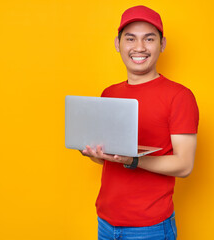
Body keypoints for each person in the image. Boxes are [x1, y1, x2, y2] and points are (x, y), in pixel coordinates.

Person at [81, 5, 199, 240]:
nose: (139, 47)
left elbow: (184, 165)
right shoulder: (109, 94)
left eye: (149, 39)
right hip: (105, 222)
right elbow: (104, 158)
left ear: (162, 44)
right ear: (118, 44)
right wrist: (93, 152)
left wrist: (134, 160)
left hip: (150, 228)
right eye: (131, 38)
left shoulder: (180, 96)